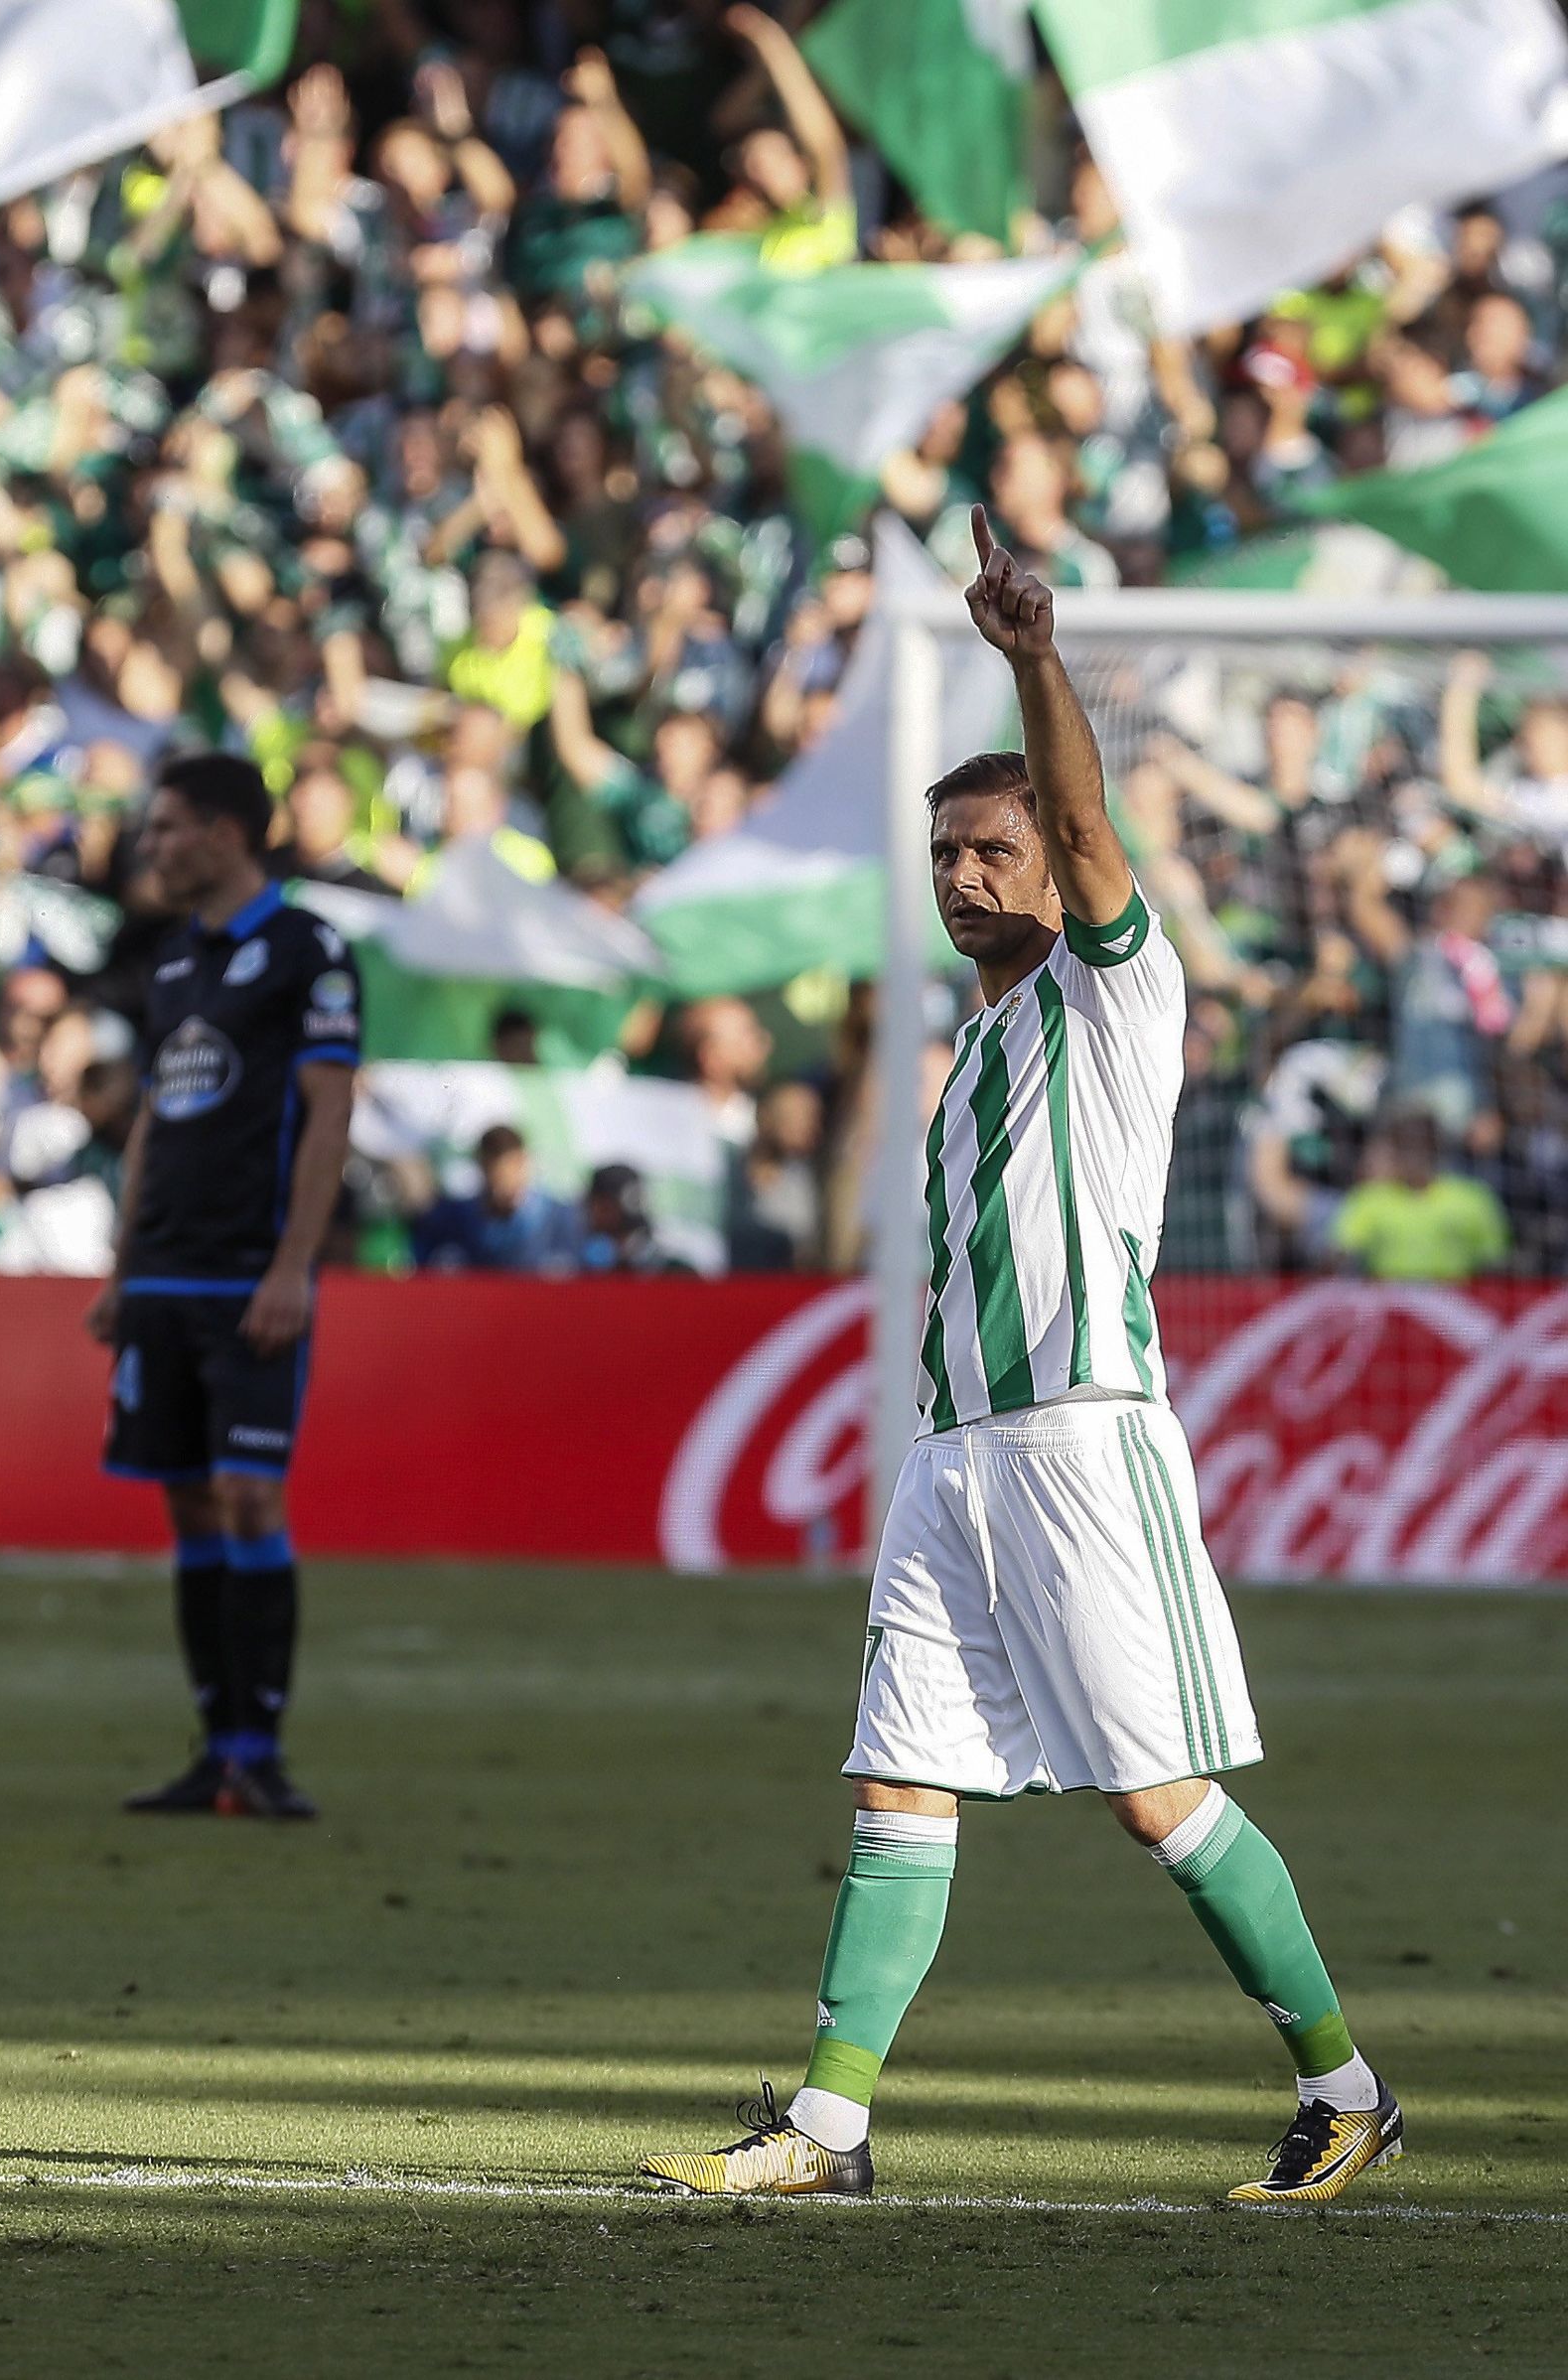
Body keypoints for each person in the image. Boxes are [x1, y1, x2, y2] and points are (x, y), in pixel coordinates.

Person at [641, 509, 1402, 2207]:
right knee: (900, 1779)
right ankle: (828, 2129)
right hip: (956, 1451)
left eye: (996, 849)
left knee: (1155, 1801)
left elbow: (1081, 810)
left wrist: (1033, 655)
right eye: (947, 856)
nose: (970, 873)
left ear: (1059, 868)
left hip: (1079, 1439)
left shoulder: (1112, 1000)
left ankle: (1345, 2088)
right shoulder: (976, 1049)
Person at [84, 753, 360, 1820]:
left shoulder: (308, 952)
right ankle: (216, 1747)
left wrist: (295, 1263)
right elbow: (155, 1120)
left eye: (164, 830)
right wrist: (120, 1265)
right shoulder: (169, 964)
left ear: (226, 833)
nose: (149, 849)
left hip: (251, 1270)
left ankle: (263, 1750)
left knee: (250, 1492)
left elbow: (328, 1111)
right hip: (162, 1272)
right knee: (190, 1499)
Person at [1334, 1109, 1509, 1282]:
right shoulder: (1369, 1198)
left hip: (1453, 1304)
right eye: (1405, 1146)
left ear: (1436, 1147)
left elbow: (1496, 1261)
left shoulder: (1473, 1198)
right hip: (1389, 1304)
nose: (1414, 1154)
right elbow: (1340, 1254)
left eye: (1421, 1144)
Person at [411, 1122, 580, 1271]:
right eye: (493, 1175)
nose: (500, 1187)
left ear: (523, 1163)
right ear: (482, 1167)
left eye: (509, 1172)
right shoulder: (455, 1216)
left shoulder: (559, 1217)